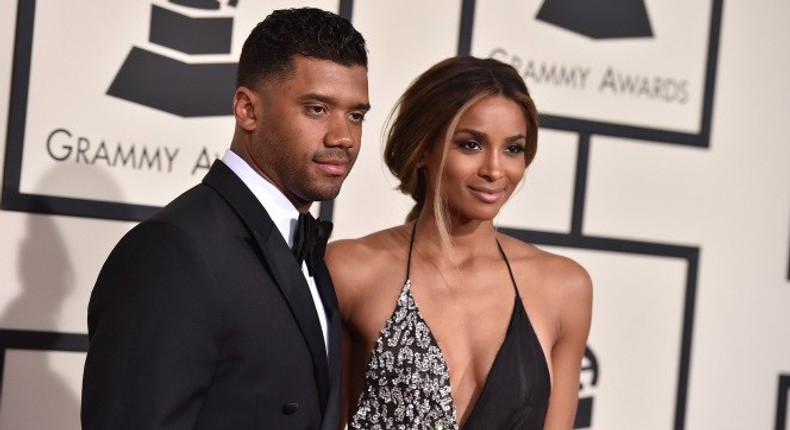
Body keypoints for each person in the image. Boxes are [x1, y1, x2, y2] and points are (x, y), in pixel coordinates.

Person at [81, 7, 369, 429]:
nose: (343, 136)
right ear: (247, 110)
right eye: (316, 109)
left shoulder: (305, 249)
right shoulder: (172, 251)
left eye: (356, 115)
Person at [325, 56, 592, 429]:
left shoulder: (564, 287)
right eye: (470, 145)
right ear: (423, 149)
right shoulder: (351, 269)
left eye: (513, 149)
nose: (495, 170)